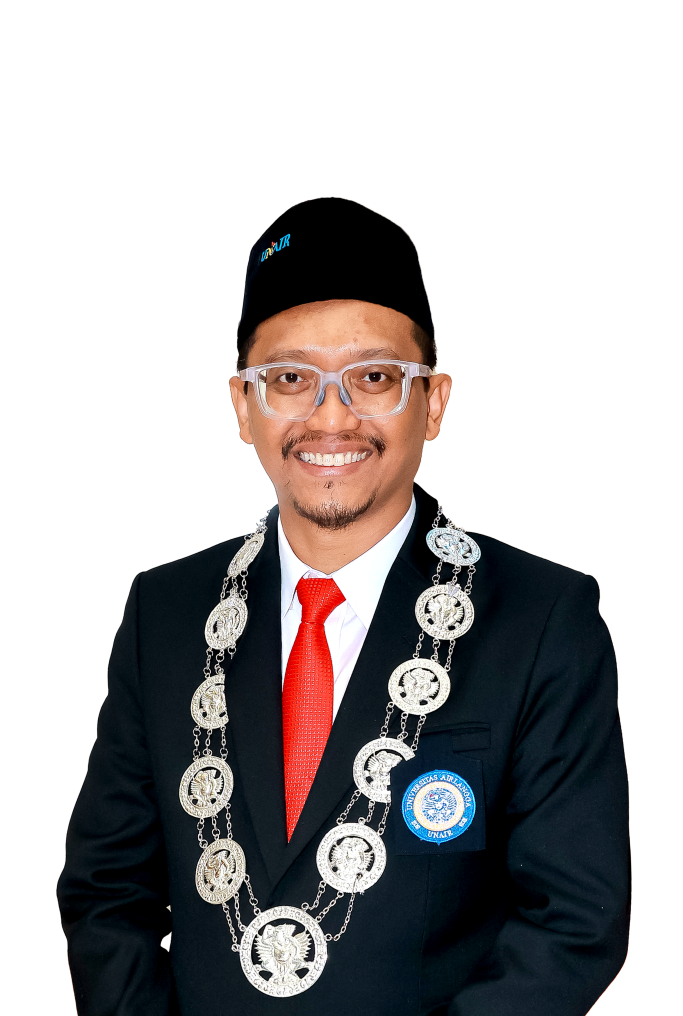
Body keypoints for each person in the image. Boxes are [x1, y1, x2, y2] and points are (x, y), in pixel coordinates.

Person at [57, 197, 630, 1015]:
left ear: (434, 402)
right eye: (290, 379)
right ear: (242, 405)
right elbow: (107, 890)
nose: (331, 417)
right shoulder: (167, 613)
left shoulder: (539, 617)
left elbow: (572, 922)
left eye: (374, 377)